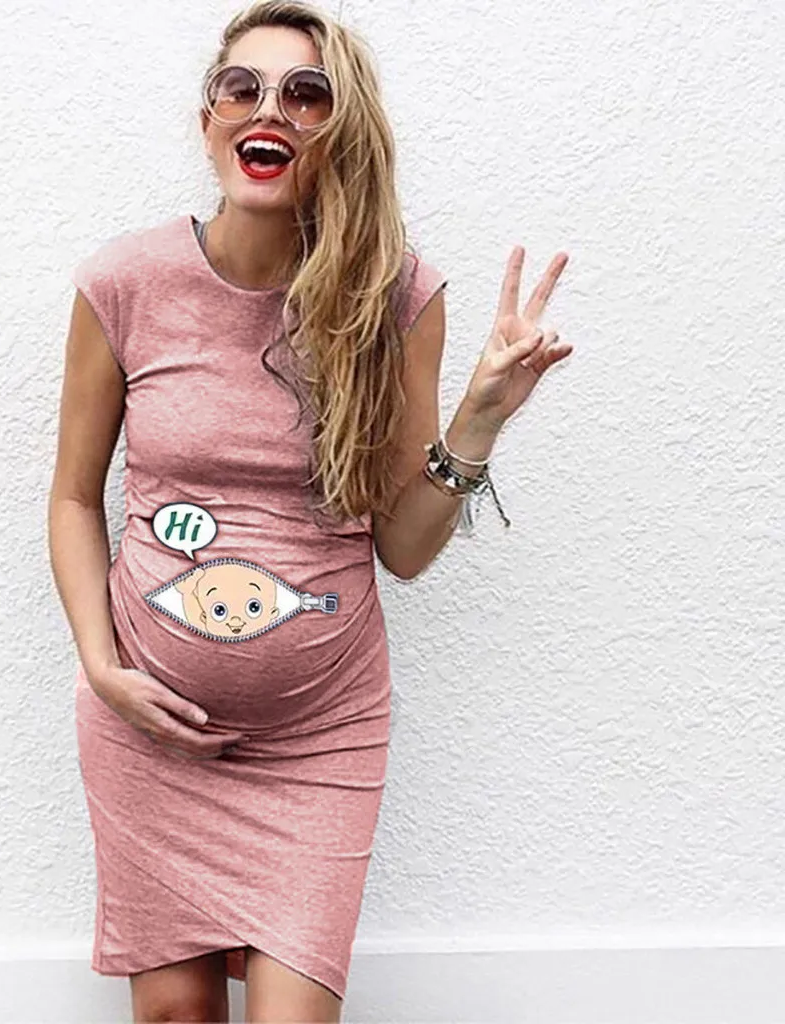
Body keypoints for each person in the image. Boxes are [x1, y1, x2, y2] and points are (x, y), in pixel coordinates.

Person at [48, 2, 572, 1021]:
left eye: (306, 93)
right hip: (150, 728)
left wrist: (479, 419)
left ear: (342, 128)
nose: (270, 110)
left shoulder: (395, 297)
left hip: (318, 738)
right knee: (173, 1014)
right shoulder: (123, 284)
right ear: (209, 121)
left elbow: (402, 547)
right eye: (242, 88)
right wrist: (102, 667)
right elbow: (72, 497)